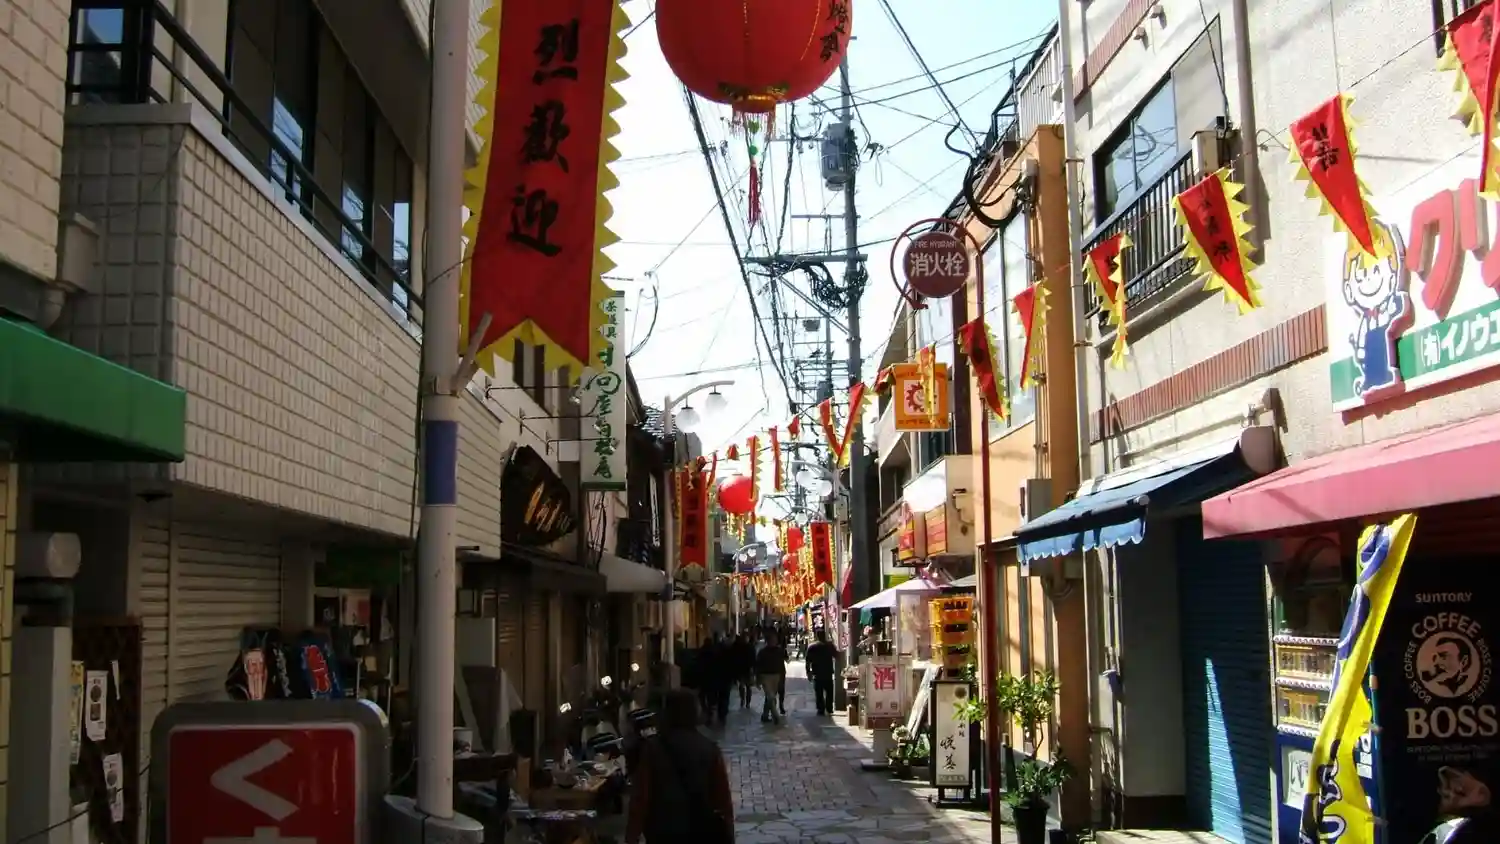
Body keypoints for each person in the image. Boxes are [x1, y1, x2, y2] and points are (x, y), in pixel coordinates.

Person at [625, 689, 735, 844]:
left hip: (662, 831)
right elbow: (722, 798)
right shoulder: (709, 749)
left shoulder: (652, 749)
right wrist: (729, 832)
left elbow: (641, 797)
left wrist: (632, 836)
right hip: (701, 830)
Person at [755, 631, 789, 724]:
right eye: (772, 640)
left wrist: (782, 677)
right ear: (768, 641)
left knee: (770, 696)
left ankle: (765, 715)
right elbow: (757, 666)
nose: (774, 642)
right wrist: (757, 679)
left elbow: (783, 662)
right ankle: (775, 715)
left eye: (775, 640)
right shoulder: (762, 652)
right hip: (765, 676)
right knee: (770, 697)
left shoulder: (780, 651)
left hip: (777, 676)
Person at [804, 629, 838, 716]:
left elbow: (807, 661)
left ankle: (821, 709)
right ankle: (829, 708)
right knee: (829, 692)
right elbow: (837, 655)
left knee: (819, 693)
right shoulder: (829, 646)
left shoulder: (812, 647)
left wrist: (808, 672)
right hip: (828, 673)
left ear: (816, 636)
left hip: (817, 673)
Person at [730, 633, 756, 709]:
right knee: (743, 686)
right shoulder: (740, 647)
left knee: (747, 687)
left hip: (747, 670)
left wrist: (753, 668)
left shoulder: (750, 647)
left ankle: (747, 701)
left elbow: (753, 659)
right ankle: (744, 700)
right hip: (742, 670)